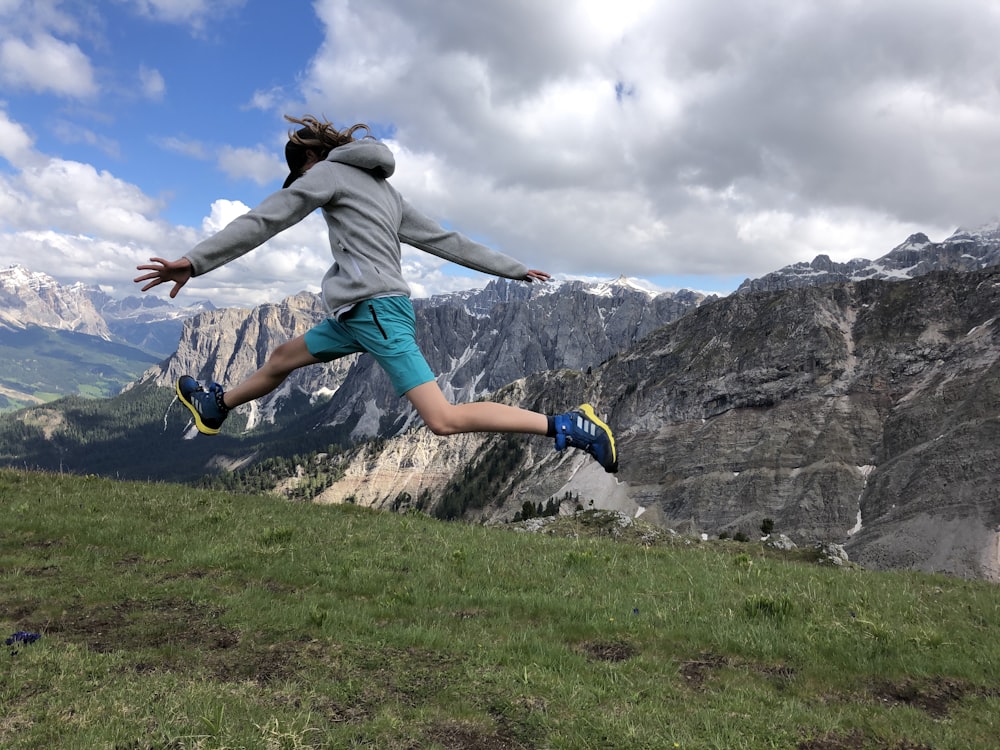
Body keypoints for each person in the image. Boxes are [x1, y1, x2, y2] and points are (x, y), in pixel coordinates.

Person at [134, 115, 618, 473]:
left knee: (442, 419)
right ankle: (218, 405)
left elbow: (265, 219)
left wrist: (194, 262)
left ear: (309, 159)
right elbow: (448, 241)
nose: (299, 184)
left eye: (298, 173)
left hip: (377, 311)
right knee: (281, 357)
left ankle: (568, 424)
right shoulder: (387, 193)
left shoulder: (323, 174)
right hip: (357, 313)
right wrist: (512, 269)